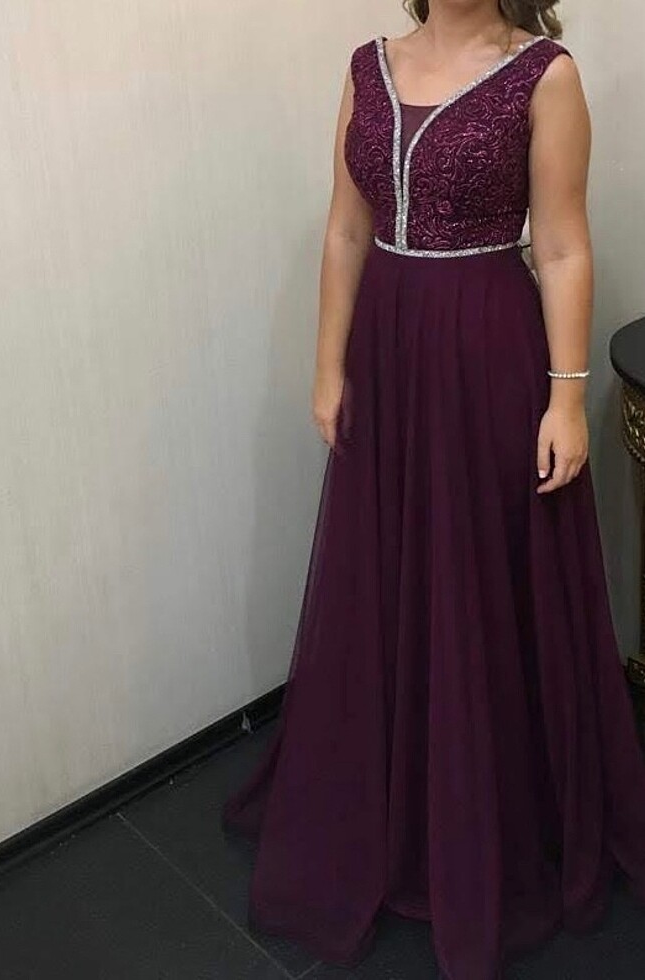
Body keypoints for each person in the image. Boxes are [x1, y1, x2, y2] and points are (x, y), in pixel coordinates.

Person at [221, 2, 645, 978]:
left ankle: (490, 814)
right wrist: (327, 365)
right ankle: (396, 804)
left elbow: (564, 245)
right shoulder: (366, 69)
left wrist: (567, 398)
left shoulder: (544, 75)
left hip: (488, 357)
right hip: (390, 355)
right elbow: (346, 230)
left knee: (479, 579)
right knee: (390, 575)